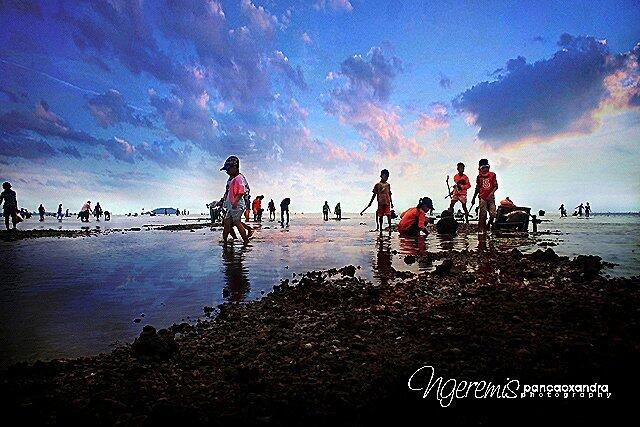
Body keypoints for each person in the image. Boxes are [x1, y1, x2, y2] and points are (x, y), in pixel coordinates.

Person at [219, 156, 251, 244]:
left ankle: (246, 241)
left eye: (228, 170)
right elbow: (228, 193)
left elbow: (242, 192)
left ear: (234, 168)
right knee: (226, 223)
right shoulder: (232, 179)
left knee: (237, 222)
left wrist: (235, 201)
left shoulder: (239, 178)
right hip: (231, 205)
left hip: (237, 204)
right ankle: (224, 241)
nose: (227, 172)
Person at [471, 159, 498, 233]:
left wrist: (491, 193)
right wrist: (473, 198)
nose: (485, 169)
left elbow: (496, 186)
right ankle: (481, 230)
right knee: (483, 214)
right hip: (482, 198)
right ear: (480, 168)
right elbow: (477, 188)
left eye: (486, 167)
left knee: (493, 213)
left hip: (491, 198)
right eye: (483, 168)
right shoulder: (479, 177)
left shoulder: (492, 175)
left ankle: (489, 224)